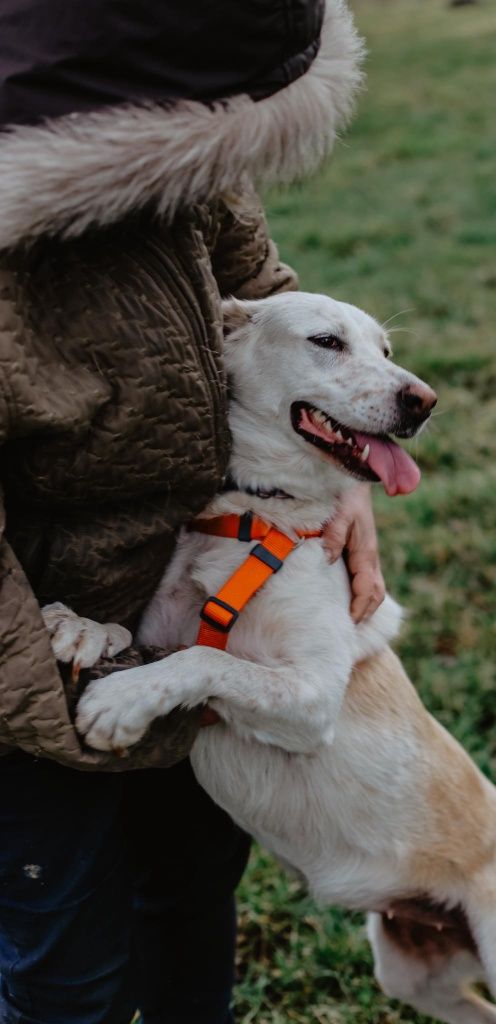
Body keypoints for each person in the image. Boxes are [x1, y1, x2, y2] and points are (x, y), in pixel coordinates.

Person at [0, 3, 381, 1021]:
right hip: (46, 654)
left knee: (186, 901)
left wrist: (335, 482)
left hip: (211, 602)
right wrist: (60, 710)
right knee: (67, 963)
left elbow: (261, 288)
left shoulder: (196, 139)